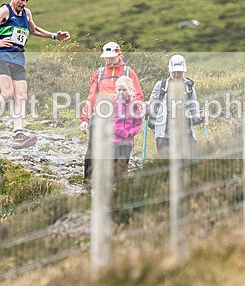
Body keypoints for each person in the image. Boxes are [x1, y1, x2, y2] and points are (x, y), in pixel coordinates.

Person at [0, 0, 70, 148]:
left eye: (27, 1)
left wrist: (54, 36)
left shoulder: (26, 13)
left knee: (21, 96)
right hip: (2, 56)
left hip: (18, 58)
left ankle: (18, 134)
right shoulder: (5, 11)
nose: (24, 3)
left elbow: (34, 30)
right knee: (8, 93)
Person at [79, 41, 144, 191]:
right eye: (105, 57)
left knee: (119, 150)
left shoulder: (129, 72)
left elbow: (138, 95)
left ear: (119, 54)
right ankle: (87, 184)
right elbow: (91, 97)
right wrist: (84, 119)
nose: (107, 60)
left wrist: (137, 111)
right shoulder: (100, 73)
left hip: (121, 119)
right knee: (92, 149)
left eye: (110, 57)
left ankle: (118, 185)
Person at [147, 53, 203, 156]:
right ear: (170, 71)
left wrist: (199, 117)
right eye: (174, 72)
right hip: (164, 136)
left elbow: (194, 110)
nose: (177, 75)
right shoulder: (161, 86)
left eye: (180, 72)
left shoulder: (189, 87)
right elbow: (152, 106)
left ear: (184, 72)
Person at [112, 75, 144, 179]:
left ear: (130, 90)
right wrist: (124, 133)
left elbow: (138, 123)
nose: (121, 92)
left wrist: (131, 133)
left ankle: (121, 189)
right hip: (114, 141)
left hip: (127, 142)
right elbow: (112, 123)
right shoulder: (113, 104)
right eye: (119, 89)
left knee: (123, 166)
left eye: (124, 90)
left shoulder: (133, 105)